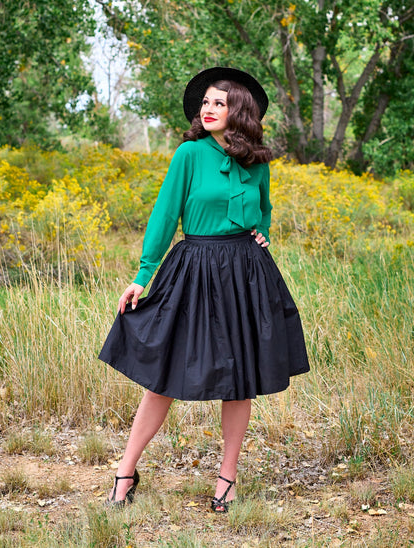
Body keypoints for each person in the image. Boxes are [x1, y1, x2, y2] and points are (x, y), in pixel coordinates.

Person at [99, 67, 310, 512]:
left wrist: (261, 232)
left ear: (240, 110)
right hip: (194, 268)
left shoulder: (257, 160)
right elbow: (164, 215)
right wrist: (142, 275)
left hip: (245, 274)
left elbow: (264, 209)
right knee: (163, 377)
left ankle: (226, 479)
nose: (209, 108)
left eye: (220, 102)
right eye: (206, 102)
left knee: (240, 380)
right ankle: (125, 470)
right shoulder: (189, 155)